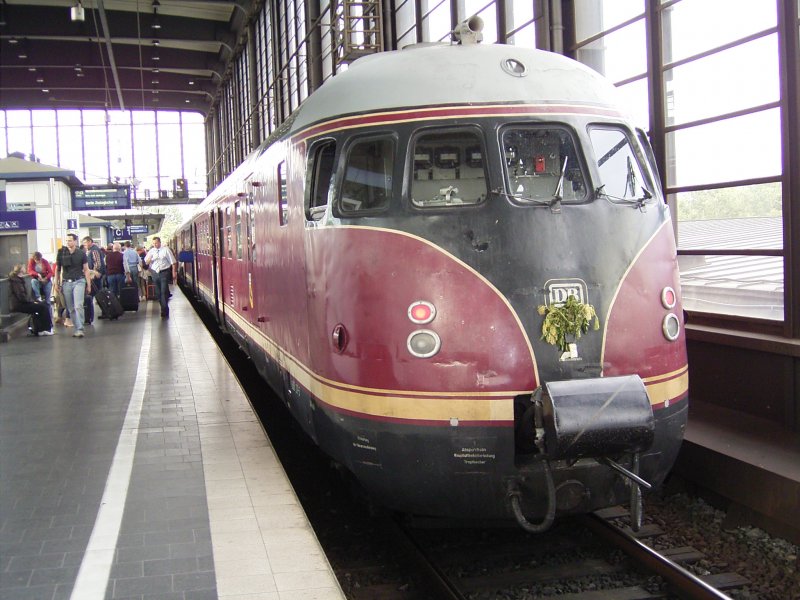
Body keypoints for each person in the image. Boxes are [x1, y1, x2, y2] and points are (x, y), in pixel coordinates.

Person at [55, 233, 92, 338]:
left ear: (75, 241)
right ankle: (77, 328)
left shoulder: (81, 253)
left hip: (79, 281)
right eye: (67, 240)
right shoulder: (61, 253)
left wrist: (88, 284)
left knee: (78, 305)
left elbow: (86, 270)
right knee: (70, 308)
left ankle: (80, 329)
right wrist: (56, 283)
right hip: (66, 282)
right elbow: (57, 270)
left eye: (70, 240)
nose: (68, 242)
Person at [8, 264, 54, 336]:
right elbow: (21, 296)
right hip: (19, 304)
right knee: (42, 307)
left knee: (43, 304)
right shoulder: (16, 281)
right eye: (23, 267)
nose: (25, 268)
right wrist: (32, 301)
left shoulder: (18, 279)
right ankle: (45, 329)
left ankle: (44, 328)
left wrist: (32, 301)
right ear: (20, 270)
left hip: (22, 303)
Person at [144, 237, 177, 319]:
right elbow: (146, 262)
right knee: (158, 293)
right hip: (155, 273)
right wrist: (150, 260)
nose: (155, 245)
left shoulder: (166, 250)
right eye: (153, 243)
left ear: (160, 242)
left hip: (164, 272)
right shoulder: (151, 251)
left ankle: (164, 309)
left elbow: (173, 262)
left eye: (156, 243)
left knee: (163, 291)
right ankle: (163, 307)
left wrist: (174, 272)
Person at [82, 235, 104, 322]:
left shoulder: (94, 250)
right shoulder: (91, 250)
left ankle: (90, 316)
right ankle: (102, 311)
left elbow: (97, 263)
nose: (84, 245)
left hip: (95, 276)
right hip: (93, 274)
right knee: (97, 294)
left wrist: (94, 273)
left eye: (85, 243)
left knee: (93, 294)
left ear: (90, 242)